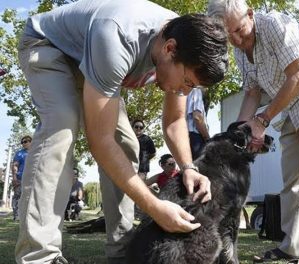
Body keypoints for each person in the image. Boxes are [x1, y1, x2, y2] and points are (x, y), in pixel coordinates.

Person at [16, 0, 229, 262]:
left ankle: (122, 252)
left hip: (92, 63)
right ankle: (40, 255)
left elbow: (174, 122)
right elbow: (100, 141)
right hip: (48, 46)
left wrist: (188, 168)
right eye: (186, 82)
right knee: (61, 128)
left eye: (192, 88)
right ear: (169, 48)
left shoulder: (187, 42)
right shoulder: (119, 36)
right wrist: (153, 207)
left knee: (127, 143)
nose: (184, 92)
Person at [208, 1, 299, 263]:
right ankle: (292, 245)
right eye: (229, 36)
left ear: (250, 14)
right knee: (292, 179)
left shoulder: (276, 25)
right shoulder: (239, 52)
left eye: (239, 30)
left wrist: (262, 119)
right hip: (291, 104)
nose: (236, 40)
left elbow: (298, 77)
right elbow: (252, 92)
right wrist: (237, 134)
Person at [11, 135, 32, 221]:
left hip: (32, 179)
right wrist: (15, 178)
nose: (24, 143)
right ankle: (16, 215)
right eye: (23, 142)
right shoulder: (19, 153)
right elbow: (15, 166)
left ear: (31, 141)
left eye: (26, 141)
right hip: (20, 179)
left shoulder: (36, 152)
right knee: (17, 197)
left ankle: (29, 216)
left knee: (30, 198)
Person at [186, 88, 210, 159]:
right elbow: (197, 117)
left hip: (184, 136)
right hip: (195, 137)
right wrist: (208, 139)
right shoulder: (196, 91)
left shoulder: (182, 93)